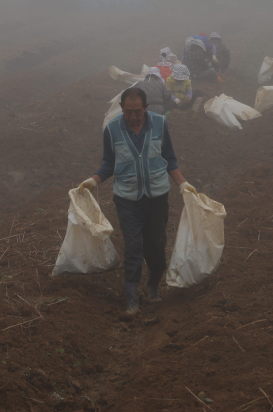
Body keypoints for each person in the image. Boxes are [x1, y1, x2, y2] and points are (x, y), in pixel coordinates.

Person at [77, 86, 194, 317]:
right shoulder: (111, 130)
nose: (132, 116)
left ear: (146, 108)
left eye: (137, 112)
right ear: (121, 108)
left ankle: (152, 285)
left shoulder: (160, 124)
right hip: (127, 199)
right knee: (133, 247)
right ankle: (131, 297)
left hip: (157, 198)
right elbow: (109, 163)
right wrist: (92, 181)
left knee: (156, 246)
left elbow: (169, 159)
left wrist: (183, 184)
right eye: (128, 111)